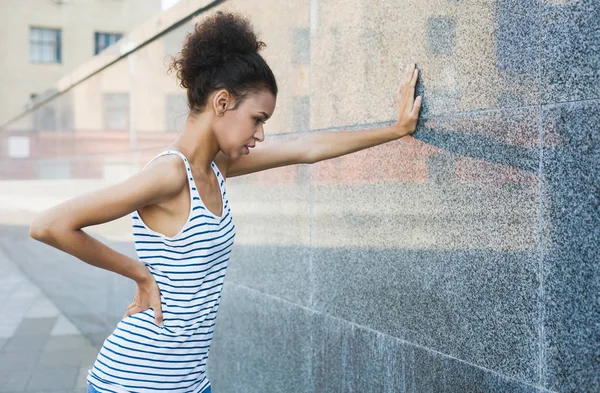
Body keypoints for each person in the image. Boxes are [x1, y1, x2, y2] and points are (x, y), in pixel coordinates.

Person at [29, 10, 422, 393]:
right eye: (257, 118)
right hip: (136, 381)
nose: (262, 134)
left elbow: (307, 148)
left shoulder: (216, 168)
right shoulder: (170, 174)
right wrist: (139, 273)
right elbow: (49, 225)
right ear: (221, 102)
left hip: (189, 380)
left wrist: (396, 129)